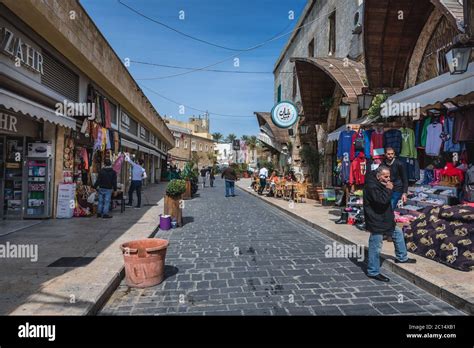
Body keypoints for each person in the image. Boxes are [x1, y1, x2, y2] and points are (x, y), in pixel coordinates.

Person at [364, 165, 416, 282]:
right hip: (376, 219)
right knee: (376, 244)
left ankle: (402, 257)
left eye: (389, 176)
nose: (388, 179)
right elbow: (381, 201)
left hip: (385, 217)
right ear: (378, 176)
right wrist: (388, 189)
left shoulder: (379, 182)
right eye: (385, 177)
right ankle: (373, 271)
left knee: (397, 233)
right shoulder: (371, 186)